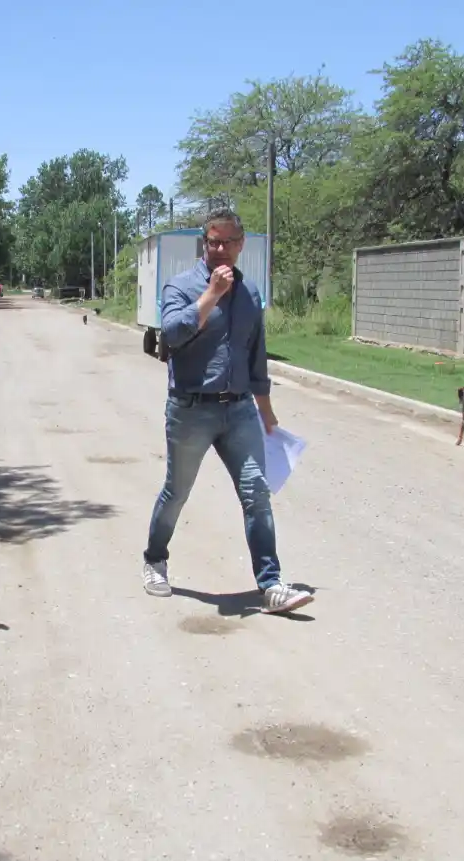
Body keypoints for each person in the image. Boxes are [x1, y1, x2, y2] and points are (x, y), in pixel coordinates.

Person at [142, 209, 313, 615]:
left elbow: (256, 359)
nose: (219, 250)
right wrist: (210, 297)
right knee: (177, 492)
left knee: (256, 494)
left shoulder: (251, 293)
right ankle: (154, 559)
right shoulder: (180, 286)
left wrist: (267, 412)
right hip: (190, 410)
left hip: (238, 411)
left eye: (227, 242)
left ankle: (271, 584)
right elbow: (172, 335)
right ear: (205, 244)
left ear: (240, 245)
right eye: (212, 242)